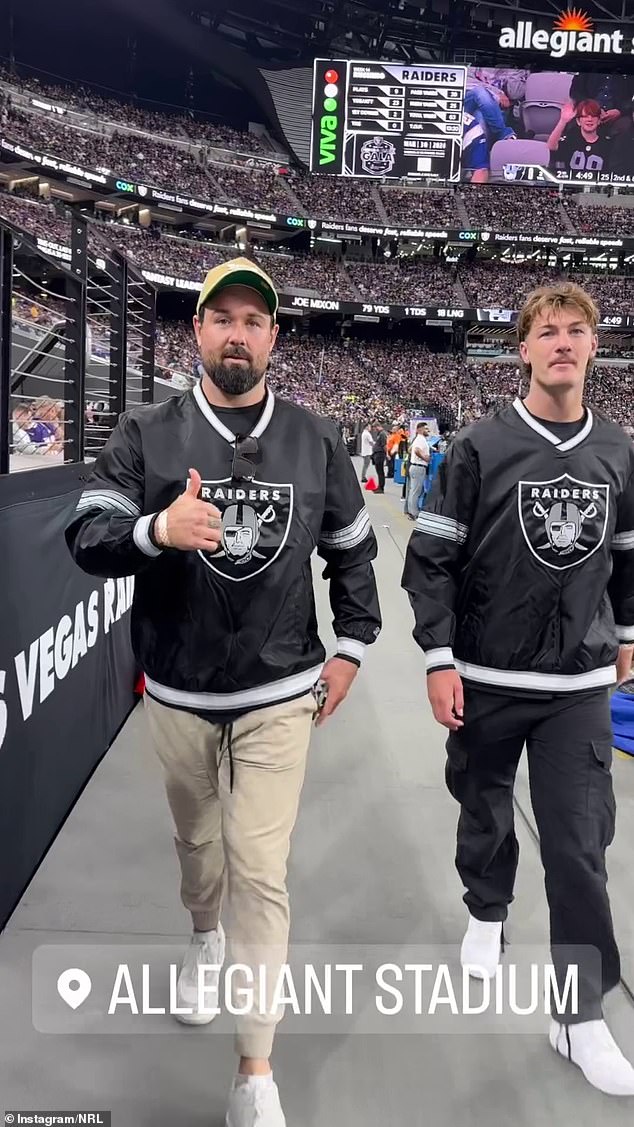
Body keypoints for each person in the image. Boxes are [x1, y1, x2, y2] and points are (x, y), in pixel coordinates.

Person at [65, 256, 382, 1127]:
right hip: (178, 687)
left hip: (282, 689)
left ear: (274, 338)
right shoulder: (147, 433)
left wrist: (352, 645)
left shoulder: (316, 438)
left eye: (254, 320)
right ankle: (203, 939)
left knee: (260, 865)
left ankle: (255, 1068)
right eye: (222, 317)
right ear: (197, 331)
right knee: (199, 850)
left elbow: (354, 549)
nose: (237, 333)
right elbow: (87, 534)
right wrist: (157, 528)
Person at [402, 282, 634, 1096]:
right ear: (524, 349)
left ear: (593, 347)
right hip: (488, 671)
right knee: (484, 803)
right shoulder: (477, 446)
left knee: (579, 845)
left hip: (577, 682)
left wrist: (628, 635)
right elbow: (429, 558)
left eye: (577, 330)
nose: (563, 343)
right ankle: (487, 910)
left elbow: (629, 557)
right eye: (548, 332)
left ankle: (578, 1015)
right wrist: (437, 655)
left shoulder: (618, 449)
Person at [548, 100, 612, 179]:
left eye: (593, 116)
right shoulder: (571, 140)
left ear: (599, 120)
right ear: (578, 121)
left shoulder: (608, 144)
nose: (589, 119)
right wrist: (563, 121)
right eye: (585, 116)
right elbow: (551, 146)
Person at [407, 422, 430, 520]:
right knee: (416, 491)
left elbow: (410, 449)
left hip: (415, 467)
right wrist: (425, 457)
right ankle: (414, 513)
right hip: (419, 467)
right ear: (420, 429)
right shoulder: (421, 439)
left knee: (413, 490)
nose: (428, 431)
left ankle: (411, 511)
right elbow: (416, 450)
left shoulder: (418, 439)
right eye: (426, 429)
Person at [371, 421, 388, 493]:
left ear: (377, 426)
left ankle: (381, 488)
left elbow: (384, 445)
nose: (374, 430)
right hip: (377, 454)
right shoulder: (379, 434)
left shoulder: (382, 434)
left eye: (374, 428)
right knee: (378, 471)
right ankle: (379, 486)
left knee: (380, 471)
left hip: (380, 454)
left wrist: (387, 454)